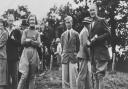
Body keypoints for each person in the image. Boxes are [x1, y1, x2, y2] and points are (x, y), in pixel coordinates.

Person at [88, 4, 111, 89]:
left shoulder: (102, 20)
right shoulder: (90, 24)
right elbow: (90, 38)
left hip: (101, 53)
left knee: (100, 76)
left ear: (96, 10)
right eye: (90, 10)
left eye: (93, 10)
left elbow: (108, 34)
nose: (92, 12)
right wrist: (88, 42)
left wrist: (97, 38)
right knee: (95, 76)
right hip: (93, 53)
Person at [17, 14, 41, 89]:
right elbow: (22, 42)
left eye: (33, 20)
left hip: (34, 53)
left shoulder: (37, 32)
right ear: (28, 21)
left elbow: (39, 44)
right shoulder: (25, 31)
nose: (32, 21)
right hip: (26, 53)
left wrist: (29, 41)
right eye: (30, 20)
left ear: (35, 21)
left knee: (32, 76)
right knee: (24, 75)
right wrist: (32, 40)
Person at [61, 16, 80, 89]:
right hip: (65, 57)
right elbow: (63, 46)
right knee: (65, 79)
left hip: (73, 57)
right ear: (65, 24)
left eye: (69, 22)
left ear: (72, 23)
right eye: (66, 22)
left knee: (73, 78)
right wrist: (63, 54)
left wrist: (75, 53)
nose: (68, 24)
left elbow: (78, 46)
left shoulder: (76, 34)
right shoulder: (63, 35)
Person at [6, 14, 22, 89]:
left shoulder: (17, 31)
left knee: (15, 77)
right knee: (6, 78)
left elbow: (20, 43)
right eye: (9, 20)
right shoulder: (4, 31)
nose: (11, 22)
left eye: (12, 20)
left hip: (14, 58)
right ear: (7, 21)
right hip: (5, 57)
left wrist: (13, 39)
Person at [76, 17, 92, 89]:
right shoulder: (85, 31)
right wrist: (89, 56)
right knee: (82, 75)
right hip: (83, 55)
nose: (90, 25)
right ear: (87, 24)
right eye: (89, 24)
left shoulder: (84, 31)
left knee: (87, 75)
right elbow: (85, 46)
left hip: (82, 55)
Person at [0, 18, 8, 89]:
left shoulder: (5, 33)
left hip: (2, 56)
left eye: (1, 25)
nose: (0, 26)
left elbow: (1, 44)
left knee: (2, 76)